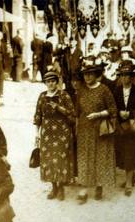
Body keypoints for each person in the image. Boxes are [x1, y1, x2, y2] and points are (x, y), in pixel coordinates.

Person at [76, 64, 117, 202]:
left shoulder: (104, 89)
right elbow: (77, 111)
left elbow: (113, 109)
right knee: (84, 158)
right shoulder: (81, 89)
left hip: (100, 129)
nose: (87, 76)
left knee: (100, 157)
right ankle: (83, 189)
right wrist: (76, 128)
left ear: (96, 75)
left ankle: (99, 186)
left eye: (91, 74)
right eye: (85, 74)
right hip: (84, 129)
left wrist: (98, 114)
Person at [34, 71, 75, 200]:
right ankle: (54, 188)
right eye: (48, 81)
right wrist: (37, 133)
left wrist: (59, 108)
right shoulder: (42, 96)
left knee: (62, 158)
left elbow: (72, 114)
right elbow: (38, 116)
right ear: (45, 83)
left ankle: (62, 187)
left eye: (53, 81)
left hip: (62, 131)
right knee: (49, 159)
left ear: (57, 82)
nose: (51, 84)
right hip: (47, 133)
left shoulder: (64, 95)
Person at [114, 62, 135, 197]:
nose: (124, 78)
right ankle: (130, 178)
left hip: (133, 126)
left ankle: (128, 183)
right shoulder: (116, 91)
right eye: (122, 75)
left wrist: (131, 113)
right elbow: (111, 106)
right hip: (121, 126)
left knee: (131, 152)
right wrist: (119, 112)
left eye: (127, 76)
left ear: (131, 77)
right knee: (123, 153)